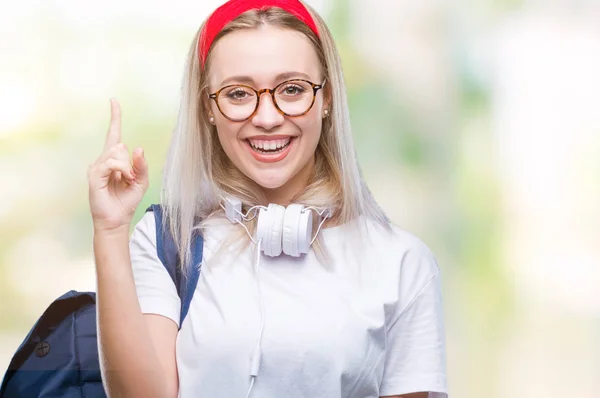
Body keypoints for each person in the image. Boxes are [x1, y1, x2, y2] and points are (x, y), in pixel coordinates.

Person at [87, 0, 448, 397]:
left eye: (292, 89)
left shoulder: (400, 262)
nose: (267, 117)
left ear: (326, 98)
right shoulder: (166, 242)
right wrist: (110, 229)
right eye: (238, 94)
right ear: (209, 106)